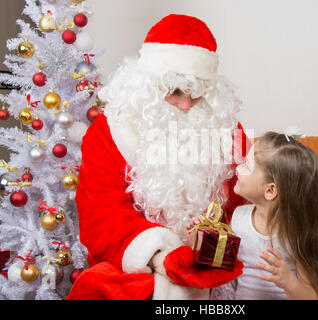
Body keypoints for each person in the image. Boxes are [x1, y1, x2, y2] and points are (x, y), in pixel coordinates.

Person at [66, 14, 252, 300]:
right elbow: (102, 215)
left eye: (198, 94)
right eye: (175, 92)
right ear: (149, 85)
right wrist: (158, 256)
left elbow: (246, 205)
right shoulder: (110, 132)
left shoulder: (227, 130)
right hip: (137, 265)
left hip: (211, 265)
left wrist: (212, 246)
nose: (187, 105)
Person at [188, 131, 318, 300]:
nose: (238, 168)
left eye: (247, 166)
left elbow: (314, 297)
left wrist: (288, 282)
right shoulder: (239, 218)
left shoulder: (297, 233)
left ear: (269, 190)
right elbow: (223, 266)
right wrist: (204, 237)